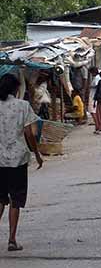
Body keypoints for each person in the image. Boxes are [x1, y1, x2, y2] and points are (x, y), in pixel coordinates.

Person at [0, 74, 44, 252]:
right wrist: (37, 153)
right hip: (17, 159)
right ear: (15, 89)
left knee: (0, 199)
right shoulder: (22, 106)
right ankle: (12, 239)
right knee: (15, 199)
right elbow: (29, 133)